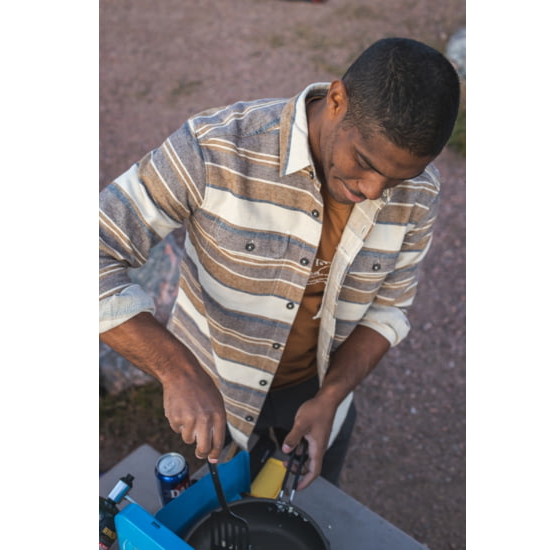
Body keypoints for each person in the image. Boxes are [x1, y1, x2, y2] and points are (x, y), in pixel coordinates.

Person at [99, 37, 461, 490]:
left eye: (397, 178)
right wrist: (177, 371)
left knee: (305, 515)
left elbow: (388, 309)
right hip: (214, 389)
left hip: (320, 395)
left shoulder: (420, 191)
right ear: (336, 100)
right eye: (364, 163)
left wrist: (331, 397)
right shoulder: (215, 148)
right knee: (209, 509)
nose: (373, 191)